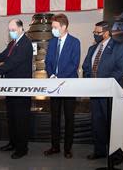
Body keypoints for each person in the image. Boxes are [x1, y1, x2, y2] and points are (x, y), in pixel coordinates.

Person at [0, 19, 33, 159]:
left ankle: (22, 148)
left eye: (13, 30)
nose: (11, 32)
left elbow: (11, 64)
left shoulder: (26, 44)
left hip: (21, 88)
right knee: (12, 117)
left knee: (21, 119)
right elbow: (2, 56)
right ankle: (13, 143)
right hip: (10, 87)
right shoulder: (12, 43)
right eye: (9, 30)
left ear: (21, 28)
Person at [82, 21, 123, 165]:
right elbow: (86, 67)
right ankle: (99, 151)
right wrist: (90, 79)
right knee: (97, 123)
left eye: (98, 32)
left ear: (106, 33)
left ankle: (116, 155)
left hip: (111, 94)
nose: (95, 35)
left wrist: (104, 83)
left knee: (113, 125)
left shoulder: (118, 47)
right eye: (94, 33)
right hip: (95, 93)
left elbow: (122, 69)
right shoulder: (92, 49)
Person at [44, 14, 81, 158]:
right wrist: (52, 74)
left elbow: (74, 64)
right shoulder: (52, 42)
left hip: (69, 84)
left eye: (54, 27)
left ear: (64, 27)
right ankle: (54, 147)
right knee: (55, 118)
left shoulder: (74, 42)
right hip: (54, 85)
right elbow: (48, 61)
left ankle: (67, 148)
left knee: (69, 118)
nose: (52, 30)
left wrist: (59, 77)